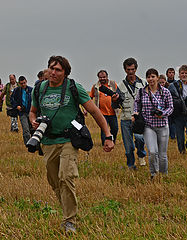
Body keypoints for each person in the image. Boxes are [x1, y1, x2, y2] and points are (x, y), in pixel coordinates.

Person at [29, 55, 114, 233]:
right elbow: (32, 111)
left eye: (58, 69)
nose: (53, 72)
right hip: (48, 141)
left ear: (65, 73)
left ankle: (69, 221)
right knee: (54, 181)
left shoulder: (74, 88)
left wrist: (107, 135)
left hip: (68, 139)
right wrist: (34, 121)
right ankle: (68, 208)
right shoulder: (39, 89)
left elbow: (94, 111)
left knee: (66, 177)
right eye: (51, 68)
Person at [133, 68, 173, 179]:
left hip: (163, 126)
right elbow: (136, 104)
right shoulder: (141, 92)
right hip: (148, 126)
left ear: (157, 78)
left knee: (162, 155)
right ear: (146, 79)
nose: (151, 79)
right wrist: (135, 113)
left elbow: (171, 107)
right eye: (149, 77)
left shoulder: (165, 91)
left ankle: (164, 175)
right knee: (152, 152)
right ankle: (154, 174)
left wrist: (162, 113)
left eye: (153, 76)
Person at [113, 57, 147, 169]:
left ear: (136, 69)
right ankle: (131, 166)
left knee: (140, 139)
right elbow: (115, 105)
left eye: (132, 69)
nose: (131, 72)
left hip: (139, 118)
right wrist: (115, 100)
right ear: (125, 70)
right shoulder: (121, 85)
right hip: (126, 118)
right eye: (128, 70)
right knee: (128, 146)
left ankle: (141, 155)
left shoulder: (143, 83)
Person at [90, 70, 118, 145]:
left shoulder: (113, 84)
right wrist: (87, 109)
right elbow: (90, 97)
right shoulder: (95, 87)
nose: (102, 79)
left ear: (107, 77)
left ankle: (112, 142)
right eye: (100, 77)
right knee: (104, 130)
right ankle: (104, 144)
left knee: (115, 129)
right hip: (101, 113)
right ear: (98, 78)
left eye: (104, 77)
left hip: (113, 112)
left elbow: (118, 94)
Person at [11, 76, 33, 145]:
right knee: (26, 129)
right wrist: (16, 106)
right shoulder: (17, 90)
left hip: (30, 112)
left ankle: (34, 143)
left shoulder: (31, 90)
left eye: (24, 83)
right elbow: (12, 99)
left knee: (32, 129)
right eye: (21, 83)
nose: (23, 85)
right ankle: (28, 144)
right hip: (22, 113)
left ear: (26, 81)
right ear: (19, 83)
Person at [166, 68, 176, 139]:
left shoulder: (177, 83)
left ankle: (173, 136)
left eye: (172, 72)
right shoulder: (164, 83)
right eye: (170, 72)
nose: (171, 74)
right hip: (166, 104)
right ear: (167, 74)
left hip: (175, 104)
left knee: (174, 121)